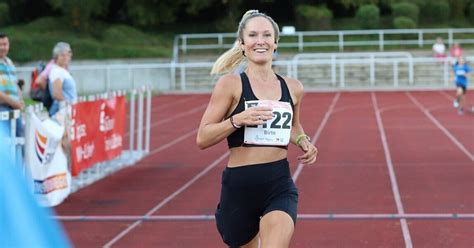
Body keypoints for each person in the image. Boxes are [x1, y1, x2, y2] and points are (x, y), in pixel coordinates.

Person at [196, 10, 318, 248]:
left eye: (266, 35)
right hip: (239, 188)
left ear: (275, 42)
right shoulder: (230, 85)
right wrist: (237, 120)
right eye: (252, 35)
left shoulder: (293, 87)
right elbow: (202, 137)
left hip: (278, 183)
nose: (260, 40)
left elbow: (293, 126)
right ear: (242, 44)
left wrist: (303, 139)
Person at [0, 32, 24, 136]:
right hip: (2, 108)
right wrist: (14, 103)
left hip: (15, 108)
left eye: (5, 44)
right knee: (6, 143)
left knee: (19, 140)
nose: (2, 47)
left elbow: (15, 84)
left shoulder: (9, 62)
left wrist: (20, 100)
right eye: (0, 44)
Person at [48, 42, 77, 117]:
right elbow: (57, 94)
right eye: (62, 55)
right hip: (61, 111)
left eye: (68, 54)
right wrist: (68, 105)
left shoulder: (63, 70)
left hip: (66, 110)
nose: (66, 57)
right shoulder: (57, 71)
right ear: (56, 57)